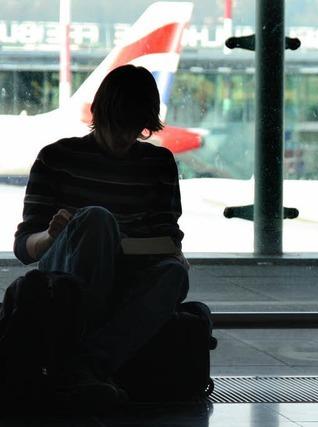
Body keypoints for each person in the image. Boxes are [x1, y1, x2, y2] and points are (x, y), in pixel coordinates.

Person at [13, 64, 189, 406]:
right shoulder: (56, 158)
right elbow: (24, 246)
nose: (124, 138)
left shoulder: (159, 164)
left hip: (130, 272)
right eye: (116, 126)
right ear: (99, 115)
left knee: (176, 272)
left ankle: (83, 365)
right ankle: (87, 365)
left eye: (135, 129)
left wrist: (164, 252)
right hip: (68, 277)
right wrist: (51, 238)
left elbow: (167, 235)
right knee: (96, 220)